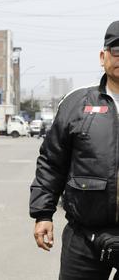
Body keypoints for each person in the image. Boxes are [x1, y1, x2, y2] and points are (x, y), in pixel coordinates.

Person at [30, 20, 119, 279]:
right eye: (116, 50)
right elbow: (52, 162)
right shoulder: (76, 104)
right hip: (84, 237)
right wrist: (43, 213)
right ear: (103, 56)